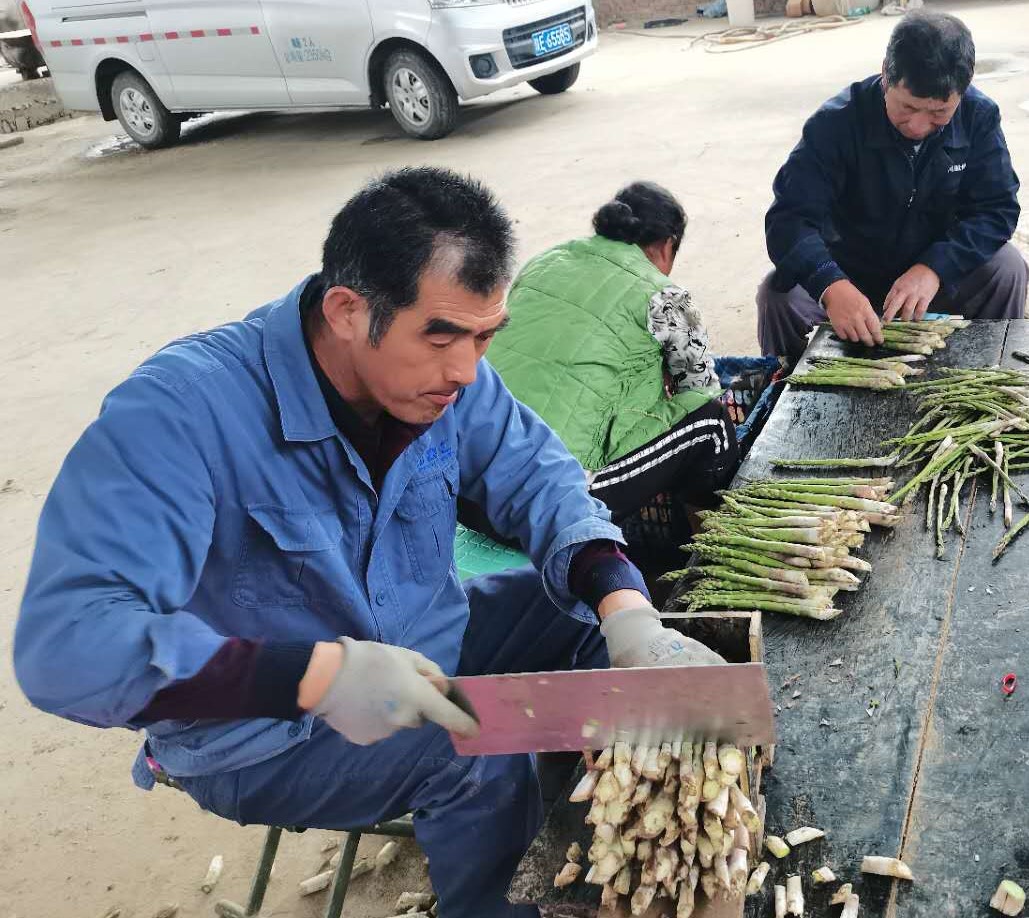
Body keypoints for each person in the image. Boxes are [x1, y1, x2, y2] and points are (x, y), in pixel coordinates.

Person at [14, 168, 726, 918]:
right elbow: (64, 651)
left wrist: (624, 607)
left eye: (485, 337)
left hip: (422, 647)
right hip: (263, 735)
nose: (464, 371)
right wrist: (316, 676)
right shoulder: (178, 412)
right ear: (348, 311)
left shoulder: (449, 375)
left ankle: (611, 825)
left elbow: (538, 477)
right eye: (442, 335)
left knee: (579, 615)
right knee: (477, 758)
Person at [757, 10, 1027, 360]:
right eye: (907, 107)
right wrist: (830, 285)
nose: (917, 125)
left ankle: (988, 372)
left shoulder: (978, 116)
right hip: (850, 277)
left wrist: (935, 268)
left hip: (931, 281)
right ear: (886, 73)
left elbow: (996, 210)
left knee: (1007, 268)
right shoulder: (835, 124)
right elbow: (788, 220)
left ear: (963, 92)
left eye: (938, 114)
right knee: (777, 295)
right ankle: (784, 393)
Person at [488, 182, 739, 522]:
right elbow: (699, 388)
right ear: (667, 245)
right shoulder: (664, 296)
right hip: (552, 501)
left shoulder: (544, 262)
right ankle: (706, 546)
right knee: (711, 422)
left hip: (476, 480)